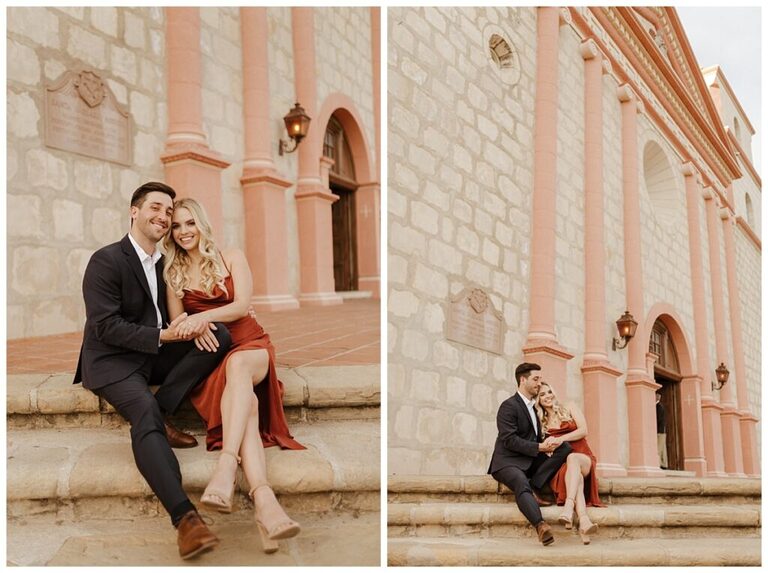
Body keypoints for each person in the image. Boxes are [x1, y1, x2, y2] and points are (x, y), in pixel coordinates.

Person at [73, 181, 233, 559]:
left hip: (152, 351)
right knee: (141, 410)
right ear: (135, 211)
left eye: (168, 211)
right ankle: (186, 520)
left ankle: (163, 412)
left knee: (218, 334)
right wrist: (165, 336)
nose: (163, 217)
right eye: (156, 208)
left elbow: (195, 297)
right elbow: (104, 327)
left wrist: (203, 321)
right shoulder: (106, 260)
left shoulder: (166, 264)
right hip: (112, 360)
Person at [163, 197, 304, 554]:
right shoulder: (173, 273)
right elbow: (176, 321)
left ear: (202, 223)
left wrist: (204, 319)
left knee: (240, 368)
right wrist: (193, 328)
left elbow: (242, 305)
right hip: (216, 358)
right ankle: (265, 505)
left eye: (189, 223)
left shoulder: (231, 256)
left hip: (251, 345)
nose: (183, 232)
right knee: (247, 407)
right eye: (176, 226)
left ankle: (226, 466)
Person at [488, 363, 572, 546]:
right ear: (523, 379)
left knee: (564, 447)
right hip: (507, 462)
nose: (539, 383)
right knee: (519, 481)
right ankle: (541, 526)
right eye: (535, 379)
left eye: (540, 379)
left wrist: (549, 443)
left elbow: (536, 436)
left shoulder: (534, 408)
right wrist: (540, 448)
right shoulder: (508, 406)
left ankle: (535, 485)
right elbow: (509, 440)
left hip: (529, 458)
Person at [536, 382, 603, 544]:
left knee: (573, 459)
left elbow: (583, 430)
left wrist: (560, 440)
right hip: (563, 467)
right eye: (542, 395)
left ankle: (568, 507)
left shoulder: (569, 407)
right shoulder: (541, 423)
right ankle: (584, 521)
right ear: (538, 400)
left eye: (549, 392)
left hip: (583, 457)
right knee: (576, 477)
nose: (547, 396)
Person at [656, 392, 668, 469]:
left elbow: (659, 419)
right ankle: (664, 464)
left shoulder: (659, 406)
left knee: (659, 447)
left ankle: (659, 463)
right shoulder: (659, 406)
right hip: (662, 430)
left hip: (660, 430)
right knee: (663, 447)